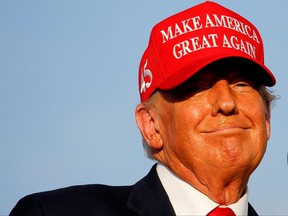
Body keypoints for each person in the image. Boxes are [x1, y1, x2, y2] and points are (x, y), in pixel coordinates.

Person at [10, 1, 277, 216]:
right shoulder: (55, 212)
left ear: (266, 116)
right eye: (197, 87)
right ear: (151, 125)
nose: (227, 103)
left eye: (242, 84)